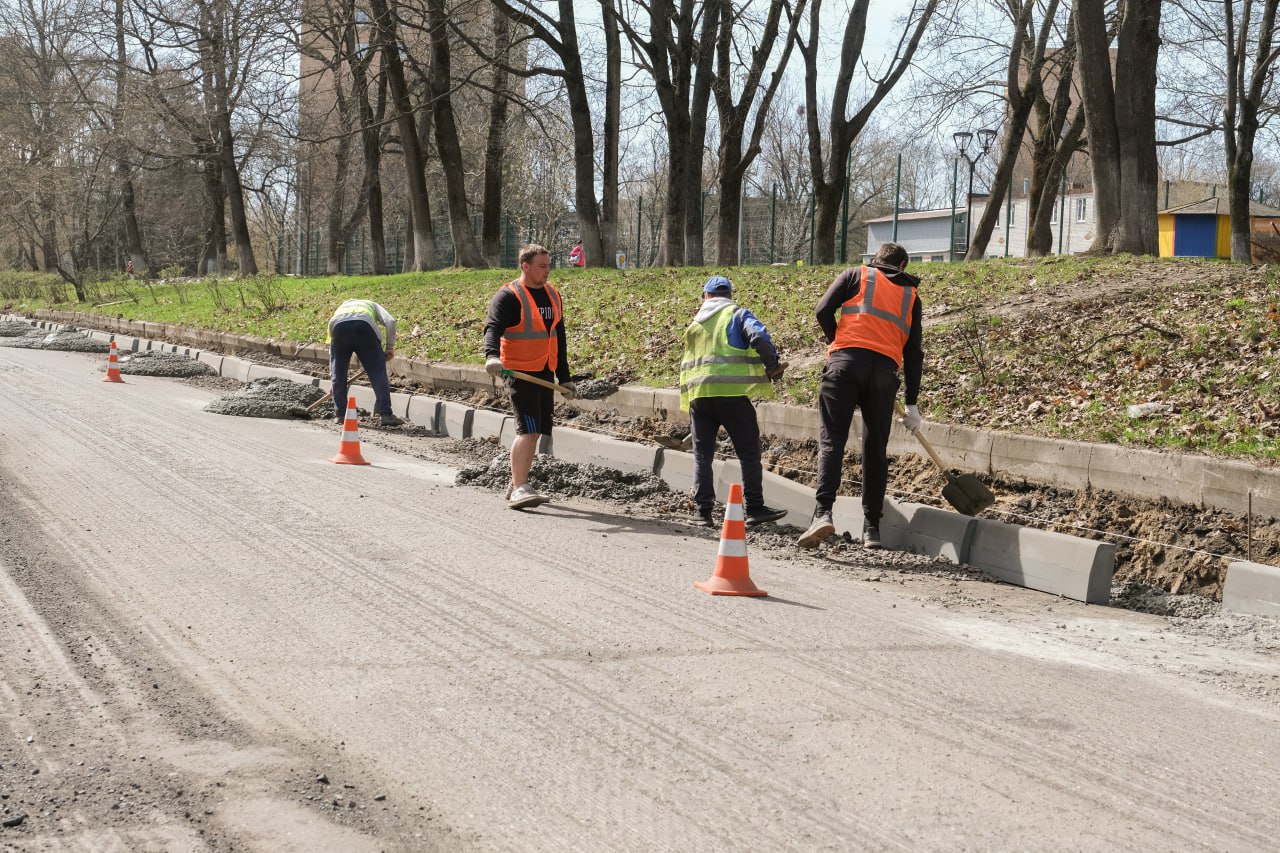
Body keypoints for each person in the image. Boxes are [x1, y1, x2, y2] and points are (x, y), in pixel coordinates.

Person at [797, 242, 924, 550]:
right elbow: (914, 352)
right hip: (883, 375)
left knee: (832, 440)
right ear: (902, 267)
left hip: (844, 366)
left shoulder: (855, 274)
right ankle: (872, 528)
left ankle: (823, 512)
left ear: (875, 261)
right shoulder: (910, 295)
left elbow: (822, 310)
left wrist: (837, 343)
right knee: (875, 448)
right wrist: (912, 403)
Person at [679, 275, 789, 528]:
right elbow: (759, 337)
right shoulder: (737, 314)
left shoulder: (695, 324)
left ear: (705, 296)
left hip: (699, 398)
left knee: (702, 456)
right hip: (731, 397)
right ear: (729, 295)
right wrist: (771, 365)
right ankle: (754, 507)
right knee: (749, 453)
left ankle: (702, 511)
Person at [484, 244, 577, 509]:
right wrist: (492, 356)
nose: (548, 271)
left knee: (536, 432)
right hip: (519, 372)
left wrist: (564, 376)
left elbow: (559, 337)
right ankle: (520, 488)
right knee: (528, 430)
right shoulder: (508, 296)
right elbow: (492, 328)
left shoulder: (552, 294)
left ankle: (517, 480)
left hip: (544, 371)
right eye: (542, 266)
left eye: (549, 265)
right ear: (525, 266)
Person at [327, 298, 405, 427]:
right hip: (364, 327)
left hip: (339, 329)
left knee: (339, 374)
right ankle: (386, 415)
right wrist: (390, 347)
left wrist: (334, 379)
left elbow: (333, 356)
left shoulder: (339, 312)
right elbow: (390, 321)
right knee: (377, 373)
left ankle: (341, 415)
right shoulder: (371, 304)